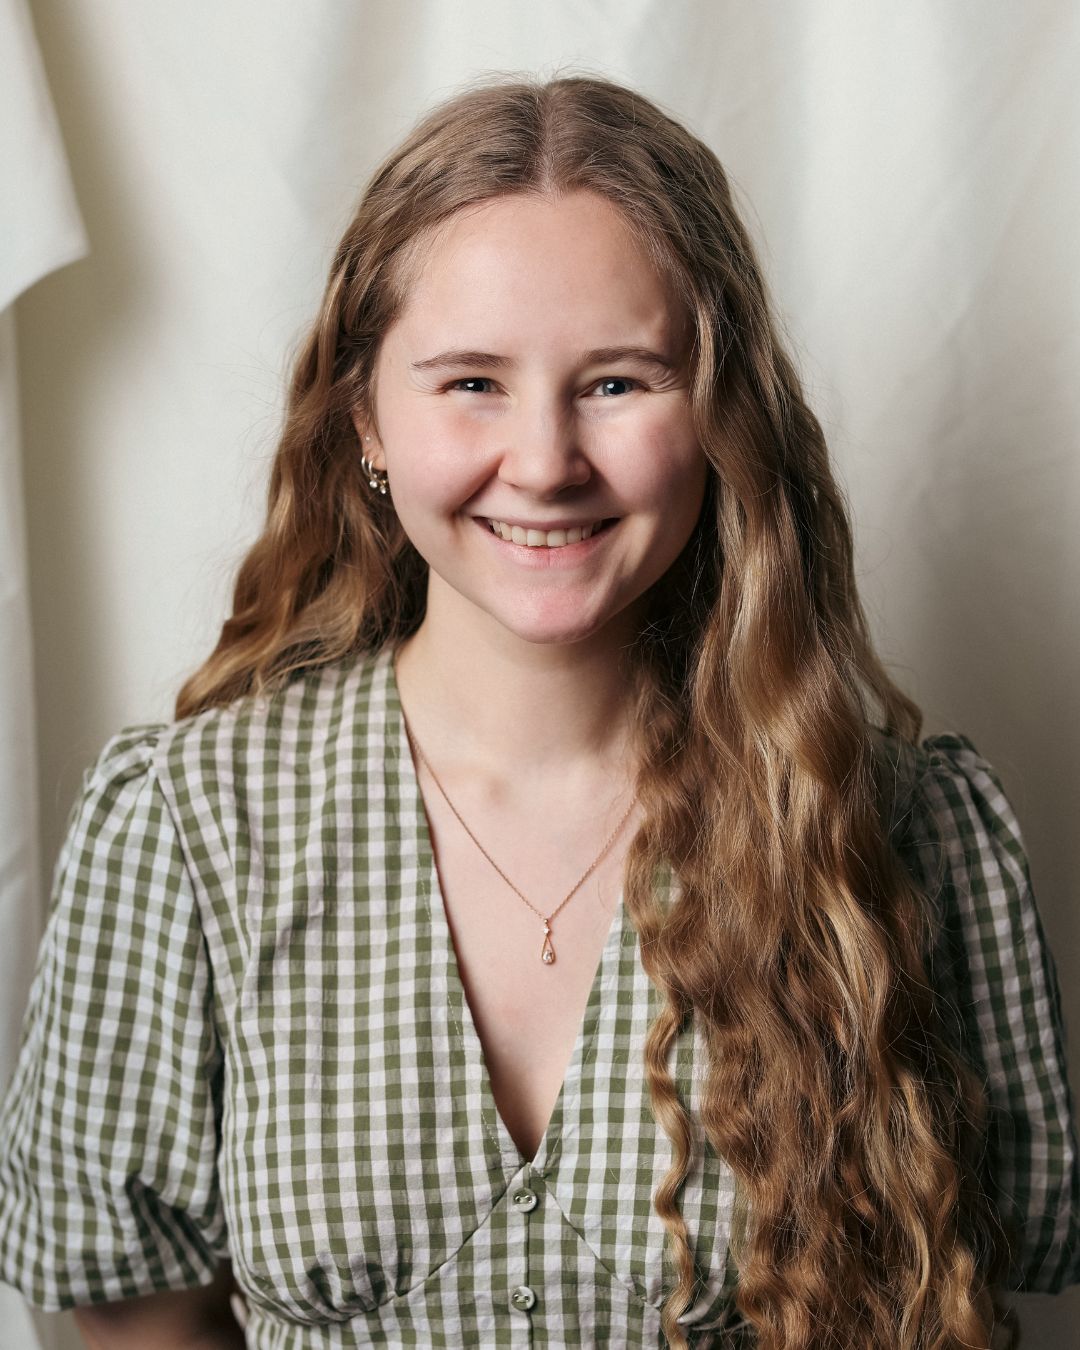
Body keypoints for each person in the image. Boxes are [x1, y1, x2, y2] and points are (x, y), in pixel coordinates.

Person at [0, 73, 1076, 1350]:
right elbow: (144, 1327)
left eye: (617, 383)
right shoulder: (189, 830)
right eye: (471, 382)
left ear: (720, 414)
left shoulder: (904, 835)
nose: (547, 462)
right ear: (366, 420)